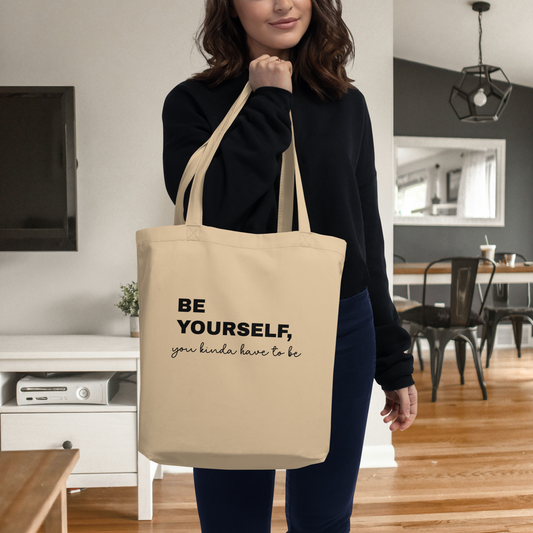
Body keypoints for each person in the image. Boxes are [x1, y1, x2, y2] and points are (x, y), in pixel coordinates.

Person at [162, 0, 418, 531]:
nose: (283, 4)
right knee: (232, 515)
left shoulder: (347, 104)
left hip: (338, 326)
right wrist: (268, 99)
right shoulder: (193, 101)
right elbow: (210, 202)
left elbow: (363, 232)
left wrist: (391, 359)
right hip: (230, 327)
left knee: (324, 516)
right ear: (230, 7)